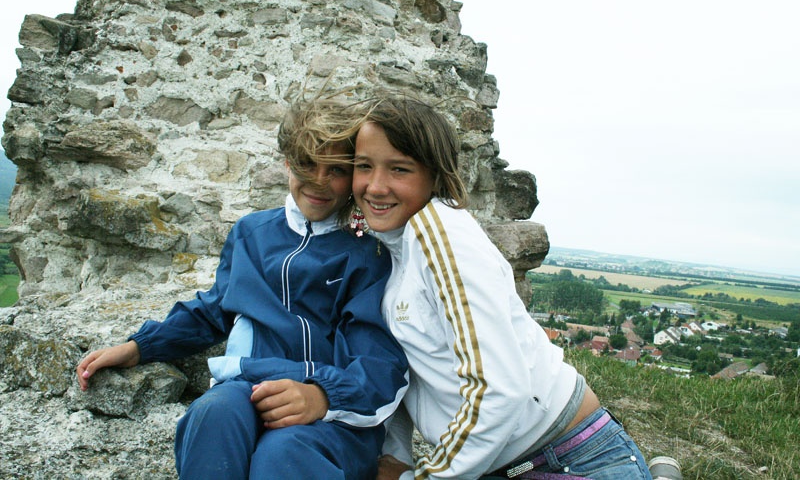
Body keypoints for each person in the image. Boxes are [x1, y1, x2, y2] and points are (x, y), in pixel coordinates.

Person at [76, 99, 409, 480]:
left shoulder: (368, 255)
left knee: (283, 453)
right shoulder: (252, 234)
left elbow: (379, 361)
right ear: (287, 162)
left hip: (331, 412)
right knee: (212, 413)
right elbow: (214, 309)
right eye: (306, 164)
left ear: (353, 176)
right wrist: (140, 347)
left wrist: (322, 395)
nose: (319, 180)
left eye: (336, 170)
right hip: (247, 385)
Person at [350, 97, 652, 480]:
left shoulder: (438, 234)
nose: (376, 186)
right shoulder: (393, 250)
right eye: (364, 166)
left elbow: (499, 388)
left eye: (399, 169)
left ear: (435, 175)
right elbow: (403, 371)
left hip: (572, 458)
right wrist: (397, 458)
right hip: (509, 464)